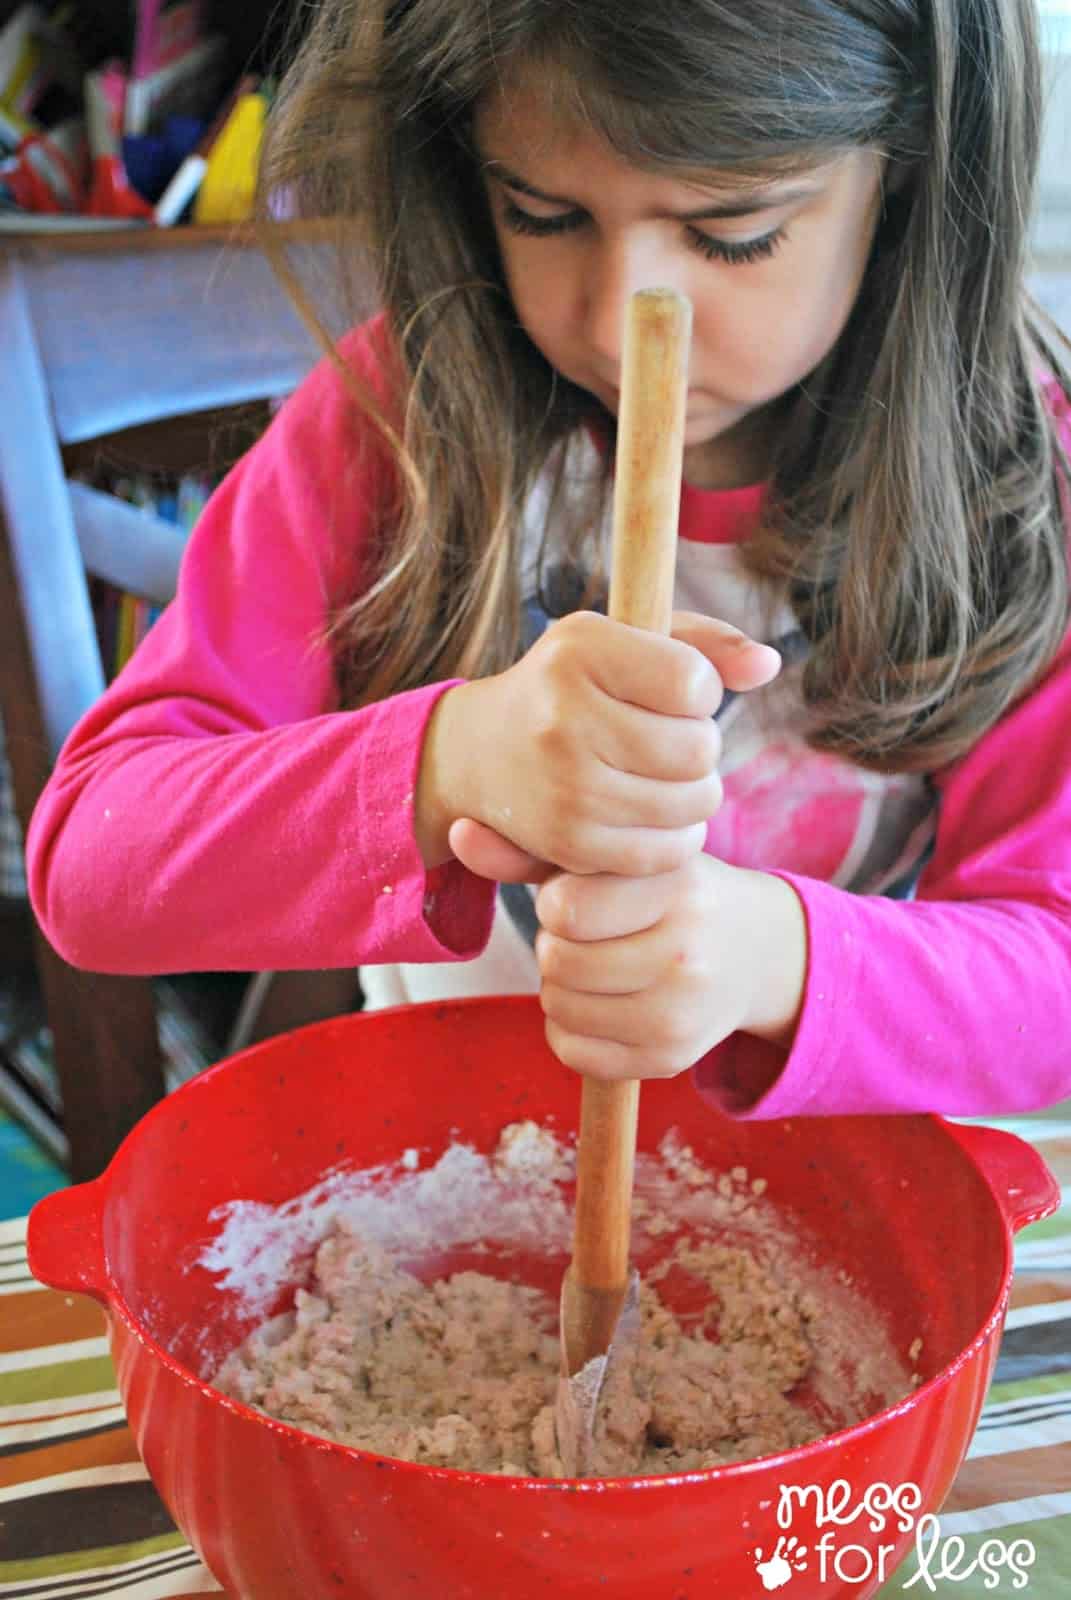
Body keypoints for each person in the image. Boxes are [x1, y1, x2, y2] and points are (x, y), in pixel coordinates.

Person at [26, 0, 1071, 1119]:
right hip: (439, 1187)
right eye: (543, 214)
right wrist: (450, 762)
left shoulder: (1020, 483)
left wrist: (777, 958)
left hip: (842, 1199)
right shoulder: (397, 426)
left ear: (908, 167)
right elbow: (93, 866)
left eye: (732, 231)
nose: (622, 322)